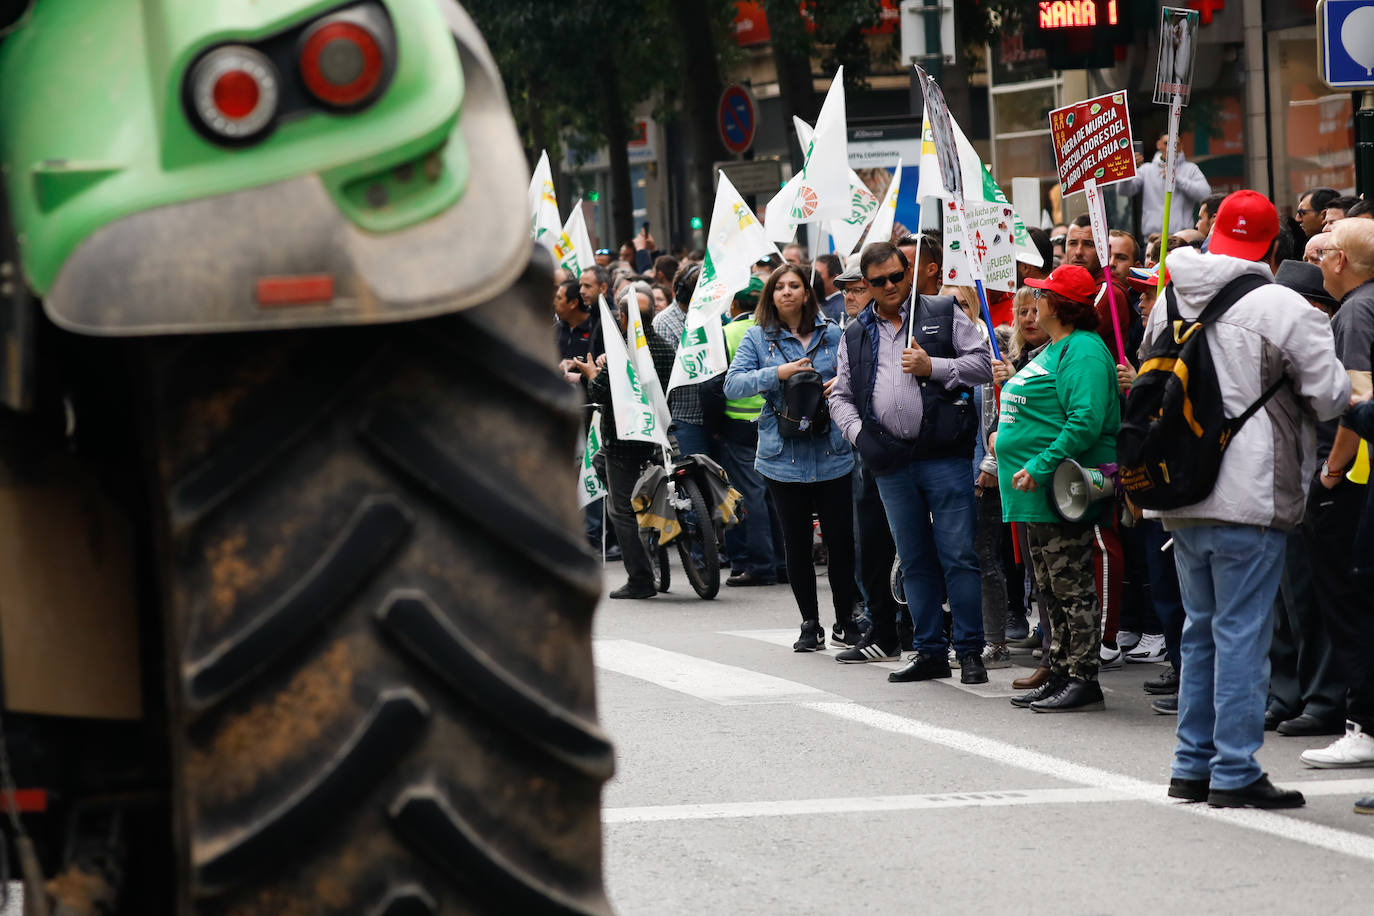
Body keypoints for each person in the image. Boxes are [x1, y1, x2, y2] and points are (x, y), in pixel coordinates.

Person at [1144, 190, 1349, 808]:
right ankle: (1234, 772)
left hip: (1180, 488)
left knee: (1201, 633)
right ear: (1271, 245)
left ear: (1215, 238)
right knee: (1241, 636)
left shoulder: (1169, 295)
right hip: (1251, 493)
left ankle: (1191, 766)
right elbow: (1330, 396)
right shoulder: (1286, 307)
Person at [829, 241, 993, 685]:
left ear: (910, 271)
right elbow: (841, 396)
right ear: (866, 284)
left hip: (943, 454)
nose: (890, 286)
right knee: (914, 559)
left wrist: (933, 366)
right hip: (890, 460)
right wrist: (860, 436)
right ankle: (929, 651)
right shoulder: (856, 332)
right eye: (878, 281)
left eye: (897, 276)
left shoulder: (941, 312)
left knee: (957, 554)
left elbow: (983, 363)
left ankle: (971, 650)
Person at [991, 265, 1120, 712]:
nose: (1034, 303)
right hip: (1042, 492)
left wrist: (1040, 464)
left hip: (1064, 486)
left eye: (1043, 295)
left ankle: (1084, 678)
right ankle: (1063, 670)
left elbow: (1085, 419)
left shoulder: (1083, 350)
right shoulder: (1058, 347)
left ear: (1060, 306)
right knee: (1050, 585)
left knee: (1072, 585)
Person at [724, 264, 858, 651]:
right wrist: (777, 372)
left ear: (806, 292)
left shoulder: (834, 333)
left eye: (794, 285)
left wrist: (841, 383)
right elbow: (733, 384)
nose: (786, 292)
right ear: (771, 295)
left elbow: (858, 377)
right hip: (783, 456)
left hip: (832, 448)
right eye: (779, 286)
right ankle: (809, 623)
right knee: (796, 542)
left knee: (840, 541)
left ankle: (846, 619)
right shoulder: (755, 337)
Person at [1299, 217, 1374, 770]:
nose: (1318, 262)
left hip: (1353, 485)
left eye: (1325, 252)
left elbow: (1358, 401)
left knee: (1347, 604)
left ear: (1341, 262)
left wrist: (1330, 472)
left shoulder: (1355, 313)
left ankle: (1363, 724)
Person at [574, 294, 677, 599]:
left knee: (621, 510)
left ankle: (640, 579)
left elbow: (600, 391)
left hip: (621, 443)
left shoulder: (623, 353)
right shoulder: (664, 349)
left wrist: (591, 374)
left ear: (623, 317)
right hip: (657, 436)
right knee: (601, 465)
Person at [717, 278, 778, 588]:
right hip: (774, 421)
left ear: (734, 306)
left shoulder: (726, 334)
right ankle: (781, 562)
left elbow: (718, 383)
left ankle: (762, 564)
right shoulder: (773, 331)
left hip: (739, 427)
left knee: (751, 496)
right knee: (775, 494)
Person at [653, 264, 712, 458]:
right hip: (685, 419)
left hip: (715, 417)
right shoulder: (664, 322)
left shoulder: (712, 316)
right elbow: (665, 376)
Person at [1116, 132, 1212, 237]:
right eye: (1167, 143)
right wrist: (1128, 169)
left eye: (1176, 144)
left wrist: (1177, 179)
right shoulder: (1147, 169)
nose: (1171, 147)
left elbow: (1205, 194)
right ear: (1158, 145)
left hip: (1181, 238)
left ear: (1181, 147)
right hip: (1153, 237)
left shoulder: (1190, 169)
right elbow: (1123, 191)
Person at [814, 253, 845, 323]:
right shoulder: (817, 302)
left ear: (835, 278)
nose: (813, 277)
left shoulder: (843, 307)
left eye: (817, 274)